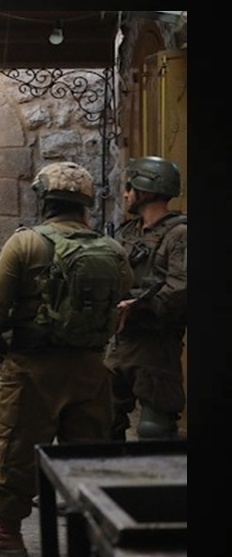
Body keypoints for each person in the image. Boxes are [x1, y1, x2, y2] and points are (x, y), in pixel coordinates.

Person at [0, 161, 133, 557]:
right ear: (85, 204)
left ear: (44, 200)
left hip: (32, 368)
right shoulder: (112, 249)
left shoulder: (25, 244)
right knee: (88, 452)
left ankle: (8, 534)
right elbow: (121, 305)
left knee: (17, 447)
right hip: (92, 368)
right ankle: (96, 537)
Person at [104, 156, 187, 441]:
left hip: (156, 346)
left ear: (146, 190)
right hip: (120, 343)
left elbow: (181, 288)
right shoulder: (128, 232)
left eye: (130, 187)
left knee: (155, 429)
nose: (126, 193)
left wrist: (140, 304)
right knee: (102, 421)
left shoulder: (180, 234)